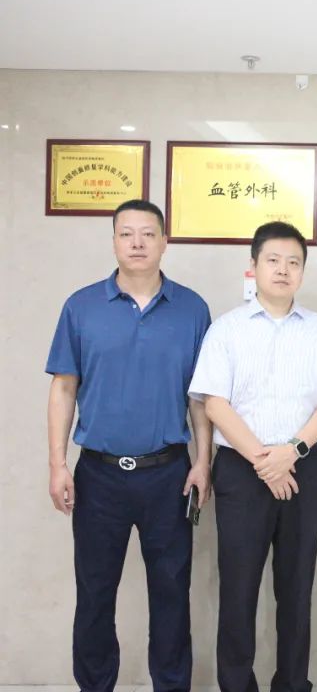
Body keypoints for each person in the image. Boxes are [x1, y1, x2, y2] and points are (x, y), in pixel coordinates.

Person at [46, 199, 211, 692]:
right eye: (126, 234)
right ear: (114, 240)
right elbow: (63, 389)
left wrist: (203, 461)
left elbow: (201, 398)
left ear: (165, 241)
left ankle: (171, 685)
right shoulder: (81, 307)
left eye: (148, 234)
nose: (137, 243)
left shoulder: (192, 309)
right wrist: (57, 464)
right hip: (98, 476)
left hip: (169, 474)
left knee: (171, 593)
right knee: (95, 593)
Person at [188, 221, 317, 692]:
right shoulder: (227, 329)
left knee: (297, 587)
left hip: (303, 467)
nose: (284, 270)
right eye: (273, 260)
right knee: (238, 588)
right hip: (242, 471)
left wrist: (292, 451)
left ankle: (292, 683)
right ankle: (236, 685)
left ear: (303, 271)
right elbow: (214, 403)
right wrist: (265, 461)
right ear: (254, 266)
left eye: (294, 262)